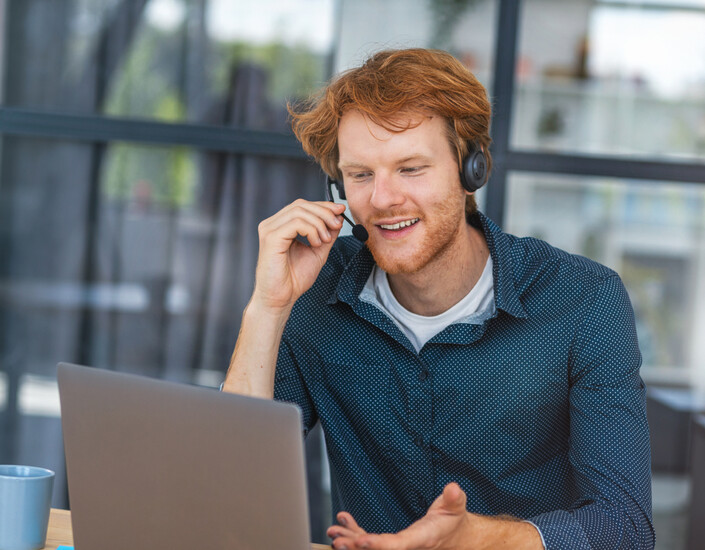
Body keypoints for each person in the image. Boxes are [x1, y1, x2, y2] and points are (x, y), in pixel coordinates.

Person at [223, 48, 654, 550]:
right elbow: (228, 492)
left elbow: (625, 529)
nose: (382, 199)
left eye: (410, 168)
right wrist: (268, 307)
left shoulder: (582, 301)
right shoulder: (313, 292)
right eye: (361, 175)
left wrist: (478, 539)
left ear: (471, 168)